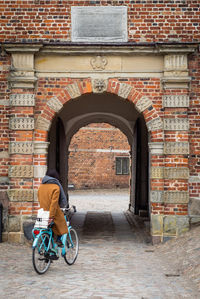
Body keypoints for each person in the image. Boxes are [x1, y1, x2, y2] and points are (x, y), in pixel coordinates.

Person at [38, 169, 69, 247]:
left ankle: (46, 249)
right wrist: (51, 216)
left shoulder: (41, 186)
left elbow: (40, 199)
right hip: (52, 212)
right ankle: (58, 240)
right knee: (62, 225)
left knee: (46, 230)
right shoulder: (56, 187)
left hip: (43, 212)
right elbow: (54, 203)